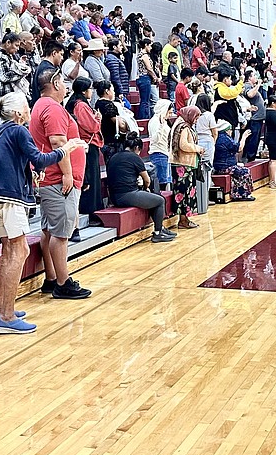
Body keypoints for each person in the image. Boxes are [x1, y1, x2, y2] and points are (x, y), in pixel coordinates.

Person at [0, 91, 82, 331]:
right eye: (26, 107)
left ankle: (0, 310)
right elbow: (38, 159)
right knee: (20, 250)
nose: (29, 111)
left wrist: (29, 173)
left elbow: (9, 160)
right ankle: (6, 317)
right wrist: (66, 148)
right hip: (9, 196)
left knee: (9, 250)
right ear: (18, 113)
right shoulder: (18, 130)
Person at [29, 70, 91, 300]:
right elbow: (57, 142)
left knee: (49, 230)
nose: (67, 86)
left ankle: (52, 277)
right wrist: (67, 173)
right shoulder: (53, 108)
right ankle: (63, 283)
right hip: (58, 179)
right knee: (62, 234)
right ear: (55, 83)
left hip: (49, 178)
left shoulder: (40, 105)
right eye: (64, 82)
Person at [107, 134, 176, 242]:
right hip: (127, 195)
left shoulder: (114, 156)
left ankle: (161, 228)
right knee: (159, 200)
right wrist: (145, 188)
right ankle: (158, 233)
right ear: (137, 148)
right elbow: (147, 180)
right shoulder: (135, 157)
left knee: (151, 199)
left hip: (114, 197)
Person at [65, 77, 104, 223]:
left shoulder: (77, 103)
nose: (92, 91)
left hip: (83, 145)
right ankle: (90, 211)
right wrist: (98, 118)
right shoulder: (80, 105)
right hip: (87, 145)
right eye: (90, 88)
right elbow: (92, 126)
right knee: (90, 179)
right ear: (83, 90)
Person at [170, 106, 205, 229]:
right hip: (183, 165)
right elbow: (183, 145)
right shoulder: (183, 127)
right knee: (184, 193)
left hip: (185, 164)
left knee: (186, 192)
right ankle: (183, 220)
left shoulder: (182, 124)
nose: (197, 120)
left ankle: (184, 219)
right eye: (196, 117)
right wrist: (197, 148)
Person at [0, 33, 31, 124]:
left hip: (7, 97)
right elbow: (5, 77)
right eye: (16, 45)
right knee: (0, 127)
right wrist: (22, 72)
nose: (17, 49)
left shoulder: (8, 56)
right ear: (8, 43)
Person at [213, 121, 255, 201]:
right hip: (225, 166)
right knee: (245, 171)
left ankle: (237, 194)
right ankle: (243, 195)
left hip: (220, 165)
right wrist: (244, 137)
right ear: (227, 130)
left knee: (239, 171)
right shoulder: (225, 138)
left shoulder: (219, 137)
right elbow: (239, 148)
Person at [147, 98, 175, 190]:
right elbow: (155, 139)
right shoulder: (155, 121)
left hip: (165, 153)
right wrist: (161, 127)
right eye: (169, 113)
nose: (170, 115)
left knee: (166, 180)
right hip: (159, 153)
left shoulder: (164, 122)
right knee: (161, 181)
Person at [242, 70, 266, 162]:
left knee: (256, 139)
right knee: (253, 139)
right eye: (254, 76)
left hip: (258, 117)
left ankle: (251, 156)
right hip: (254, 118)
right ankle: (249, 157)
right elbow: (250, 94)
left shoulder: (252, 86)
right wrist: (258, 84)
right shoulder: (247, 86)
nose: (256, 77)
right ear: (249, 78)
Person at [136, 38, 157, 120]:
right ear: (146, 45)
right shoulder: (144, 55)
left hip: (141, 78)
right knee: (145, 101)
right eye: (150, 46)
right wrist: (154, 76)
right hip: (145, 78)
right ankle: (143, 118)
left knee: (144, 100)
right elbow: (149, 68)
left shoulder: (140, 54)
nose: (151, 48)